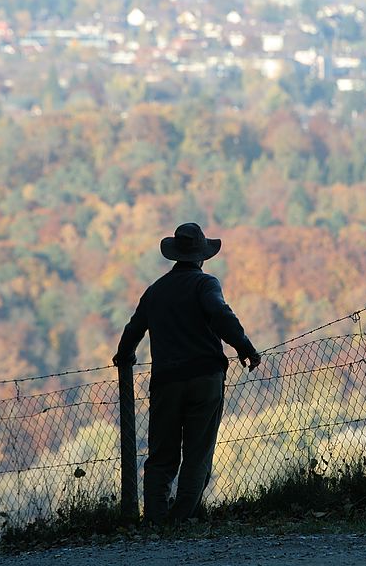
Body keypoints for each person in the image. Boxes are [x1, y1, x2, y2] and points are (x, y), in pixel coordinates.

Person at [112, 222, 261, 526]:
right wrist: (244, 346)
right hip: (205, 379)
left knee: (161, 456)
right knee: (198, 453)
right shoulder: (205, 284)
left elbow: (133, 330)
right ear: (201, 256)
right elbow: (220, 314)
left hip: (166, 382)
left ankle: (154, 521)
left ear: (175, 255)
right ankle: (181, 521)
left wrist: (124, 356)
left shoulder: (155, 292)